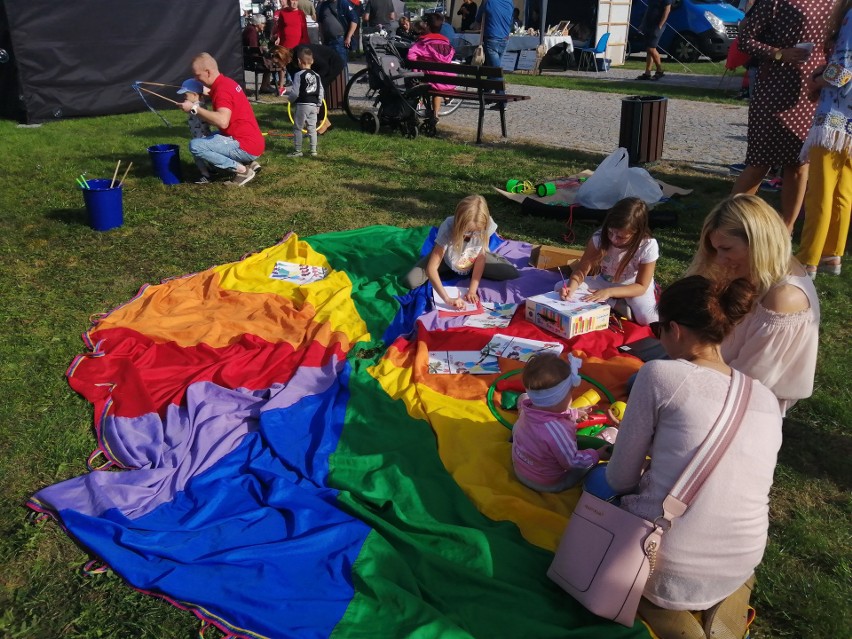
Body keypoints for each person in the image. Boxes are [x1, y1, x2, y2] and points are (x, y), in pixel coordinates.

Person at [604, 275, 782, 639]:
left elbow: (620, 480)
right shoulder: (765, 397)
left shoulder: (659, 374)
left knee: (596, 490)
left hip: (664, 559)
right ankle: (720, 598)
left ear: (675, 329)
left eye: (657, 330)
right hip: (744, 554)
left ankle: (661, 610)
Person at [687, 194, 820, 415]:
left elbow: (750, 379)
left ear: (758, 242)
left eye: (727, 249)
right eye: (716, 250)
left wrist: (691, 373)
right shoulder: (761, 270)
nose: (719, 259)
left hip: (747, 403)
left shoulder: (784, 298)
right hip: (721, 373)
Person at [733, 0, 833, 231]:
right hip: (774, 87)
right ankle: (728, 224)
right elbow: (744, 40)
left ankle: (786, 231)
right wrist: (778, 53)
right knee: (759, 162)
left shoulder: (834, 3)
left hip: (811, 90)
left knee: (799, 164)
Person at [796, 0, 852, 277]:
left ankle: (808, 258)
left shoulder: (850, 16)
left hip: (835, 120)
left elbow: (843, 70)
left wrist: (817, 80)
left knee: (820, 190)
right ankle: (833, 253)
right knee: (843, 190)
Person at [512, 353, 610, 493]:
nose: (572, 398)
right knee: (589, 464)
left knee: (521, 414)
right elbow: (572, 461)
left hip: (521, 469)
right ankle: (605, 440)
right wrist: (597, 454)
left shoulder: (527, 409)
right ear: (558, 398)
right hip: (546, 483)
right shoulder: (556, 432)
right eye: (570, 394)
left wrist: (575, 413)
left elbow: (555, 412)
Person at [557, 197, 659, 325]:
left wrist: (609, 292)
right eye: (610, 232)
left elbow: (641, 286)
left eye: (621, 237)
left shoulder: (647, 245)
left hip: (632, 286)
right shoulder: (599, 238)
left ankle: (610, 300)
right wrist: (571, 287)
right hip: (605, 281)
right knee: (561, 287)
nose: (614, 239)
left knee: (649, 319)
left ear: (637, 233)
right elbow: (581, 270)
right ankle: (613, 303)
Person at [403, 194, 520, 305]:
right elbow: (432, 268)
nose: (473, 235)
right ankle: (448, 266)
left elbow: (480, 257)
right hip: (447, 259)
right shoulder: (448, 227)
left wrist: (472, 290)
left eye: (477, 232)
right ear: (458, 224)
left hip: (473, 259)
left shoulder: (487, 225)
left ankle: (494, 258)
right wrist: (447, 298)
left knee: (511, 273)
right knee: (410, 281)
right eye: (468, 231)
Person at [181, 53, 264, 187]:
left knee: (196, 145)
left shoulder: (222, 90)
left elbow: (222, 121)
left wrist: (193, 108)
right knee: (205, 138)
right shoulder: (225, 83)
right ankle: (250, 163)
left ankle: (242, 171)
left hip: (245, 144)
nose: (195, 79)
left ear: (207, 72)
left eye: (197, 75)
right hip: (251, 140)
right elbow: (212, 92)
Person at [407, 13, 455, 123]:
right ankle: (435, 115)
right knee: (436, 83)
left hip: (427, 80)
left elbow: (410, 57)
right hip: (446, 82)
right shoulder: (446, 43)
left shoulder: (423, 43)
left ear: (427, 26)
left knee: (430, 82)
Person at [285, 47, 324, 157]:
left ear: (298, 61)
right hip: (313, 105)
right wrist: (319, 104)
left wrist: (289, 100)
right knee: (312, 128)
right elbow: (321, 91)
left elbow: (295, 93)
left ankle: (298, 151)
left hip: (302, 105)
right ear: (312, 61)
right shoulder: (317, 75)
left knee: (298, 127)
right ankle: (313, 151)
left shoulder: (298, 75)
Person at [176, 78, 214, 184]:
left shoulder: (199, 106)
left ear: (194, 94)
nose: (184, 97)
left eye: (186, 95)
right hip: (201, 135)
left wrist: (187, 108)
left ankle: (205, 175)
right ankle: (212, 169)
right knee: (207, 154)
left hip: (201, 137)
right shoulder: (199, 104)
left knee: (198, 157)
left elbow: (194, 110)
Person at [317, 0, 360, 82]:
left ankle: (344, 85)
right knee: (329, 65)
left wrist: (348, 37)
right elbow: (320, 22)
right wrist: (322, 37)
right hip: (327, 40)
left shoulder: (343, 3)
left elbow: (354, 20)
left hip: (339, 40)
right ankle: (332, 86)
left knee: (341, 64)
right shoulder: (323, 5)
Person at [636, 0, 672, 80]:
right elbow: (648, 10)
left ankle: (659, 70)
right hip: (649, 24)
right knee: (648, 49)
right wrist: (642, 24)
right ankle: (647, 73)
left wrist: (660, 25)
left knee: (651, 48)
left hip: (657, 25)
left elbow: (667, 10)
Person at [475, 0, 514, 70]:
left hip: (492, 38)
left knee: (495, 71)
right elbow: (511, 21)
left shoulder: (487, 1)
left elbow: (478, 19)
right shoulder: (510, 2)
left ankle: (497, 80)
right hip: (505, 38)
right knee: (493, 69)